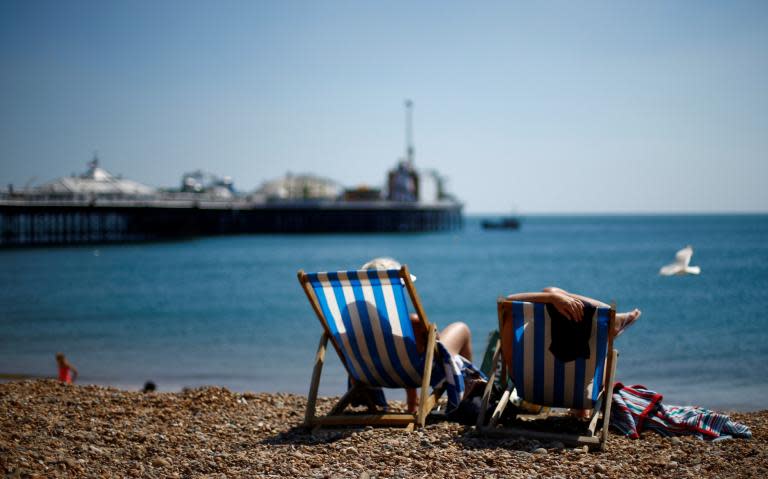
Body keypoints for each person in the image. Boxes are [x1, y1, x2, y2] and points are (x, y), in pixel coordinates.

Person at [361, 257, 476, 413]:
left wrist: (411, 401)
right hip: (417, 373)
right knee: (461, 328)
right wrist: (431, 333)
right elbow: (433, 346)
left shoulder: (355, 322)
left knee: (408, 346)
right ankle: (468, 396)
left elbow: (401, 356)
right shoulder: (411, 323)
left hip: (370, 373)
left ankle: (413, 401)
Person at [506, 286, 641, 336]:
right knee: (552, 291)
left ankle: (613, 320)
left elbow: (507, 302)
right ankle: (612, 319)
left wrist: (551, 298)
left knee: (552, 293)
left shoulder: (533, 355)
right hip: (581, 394)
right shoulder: (584, 371)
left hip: (527, 388)